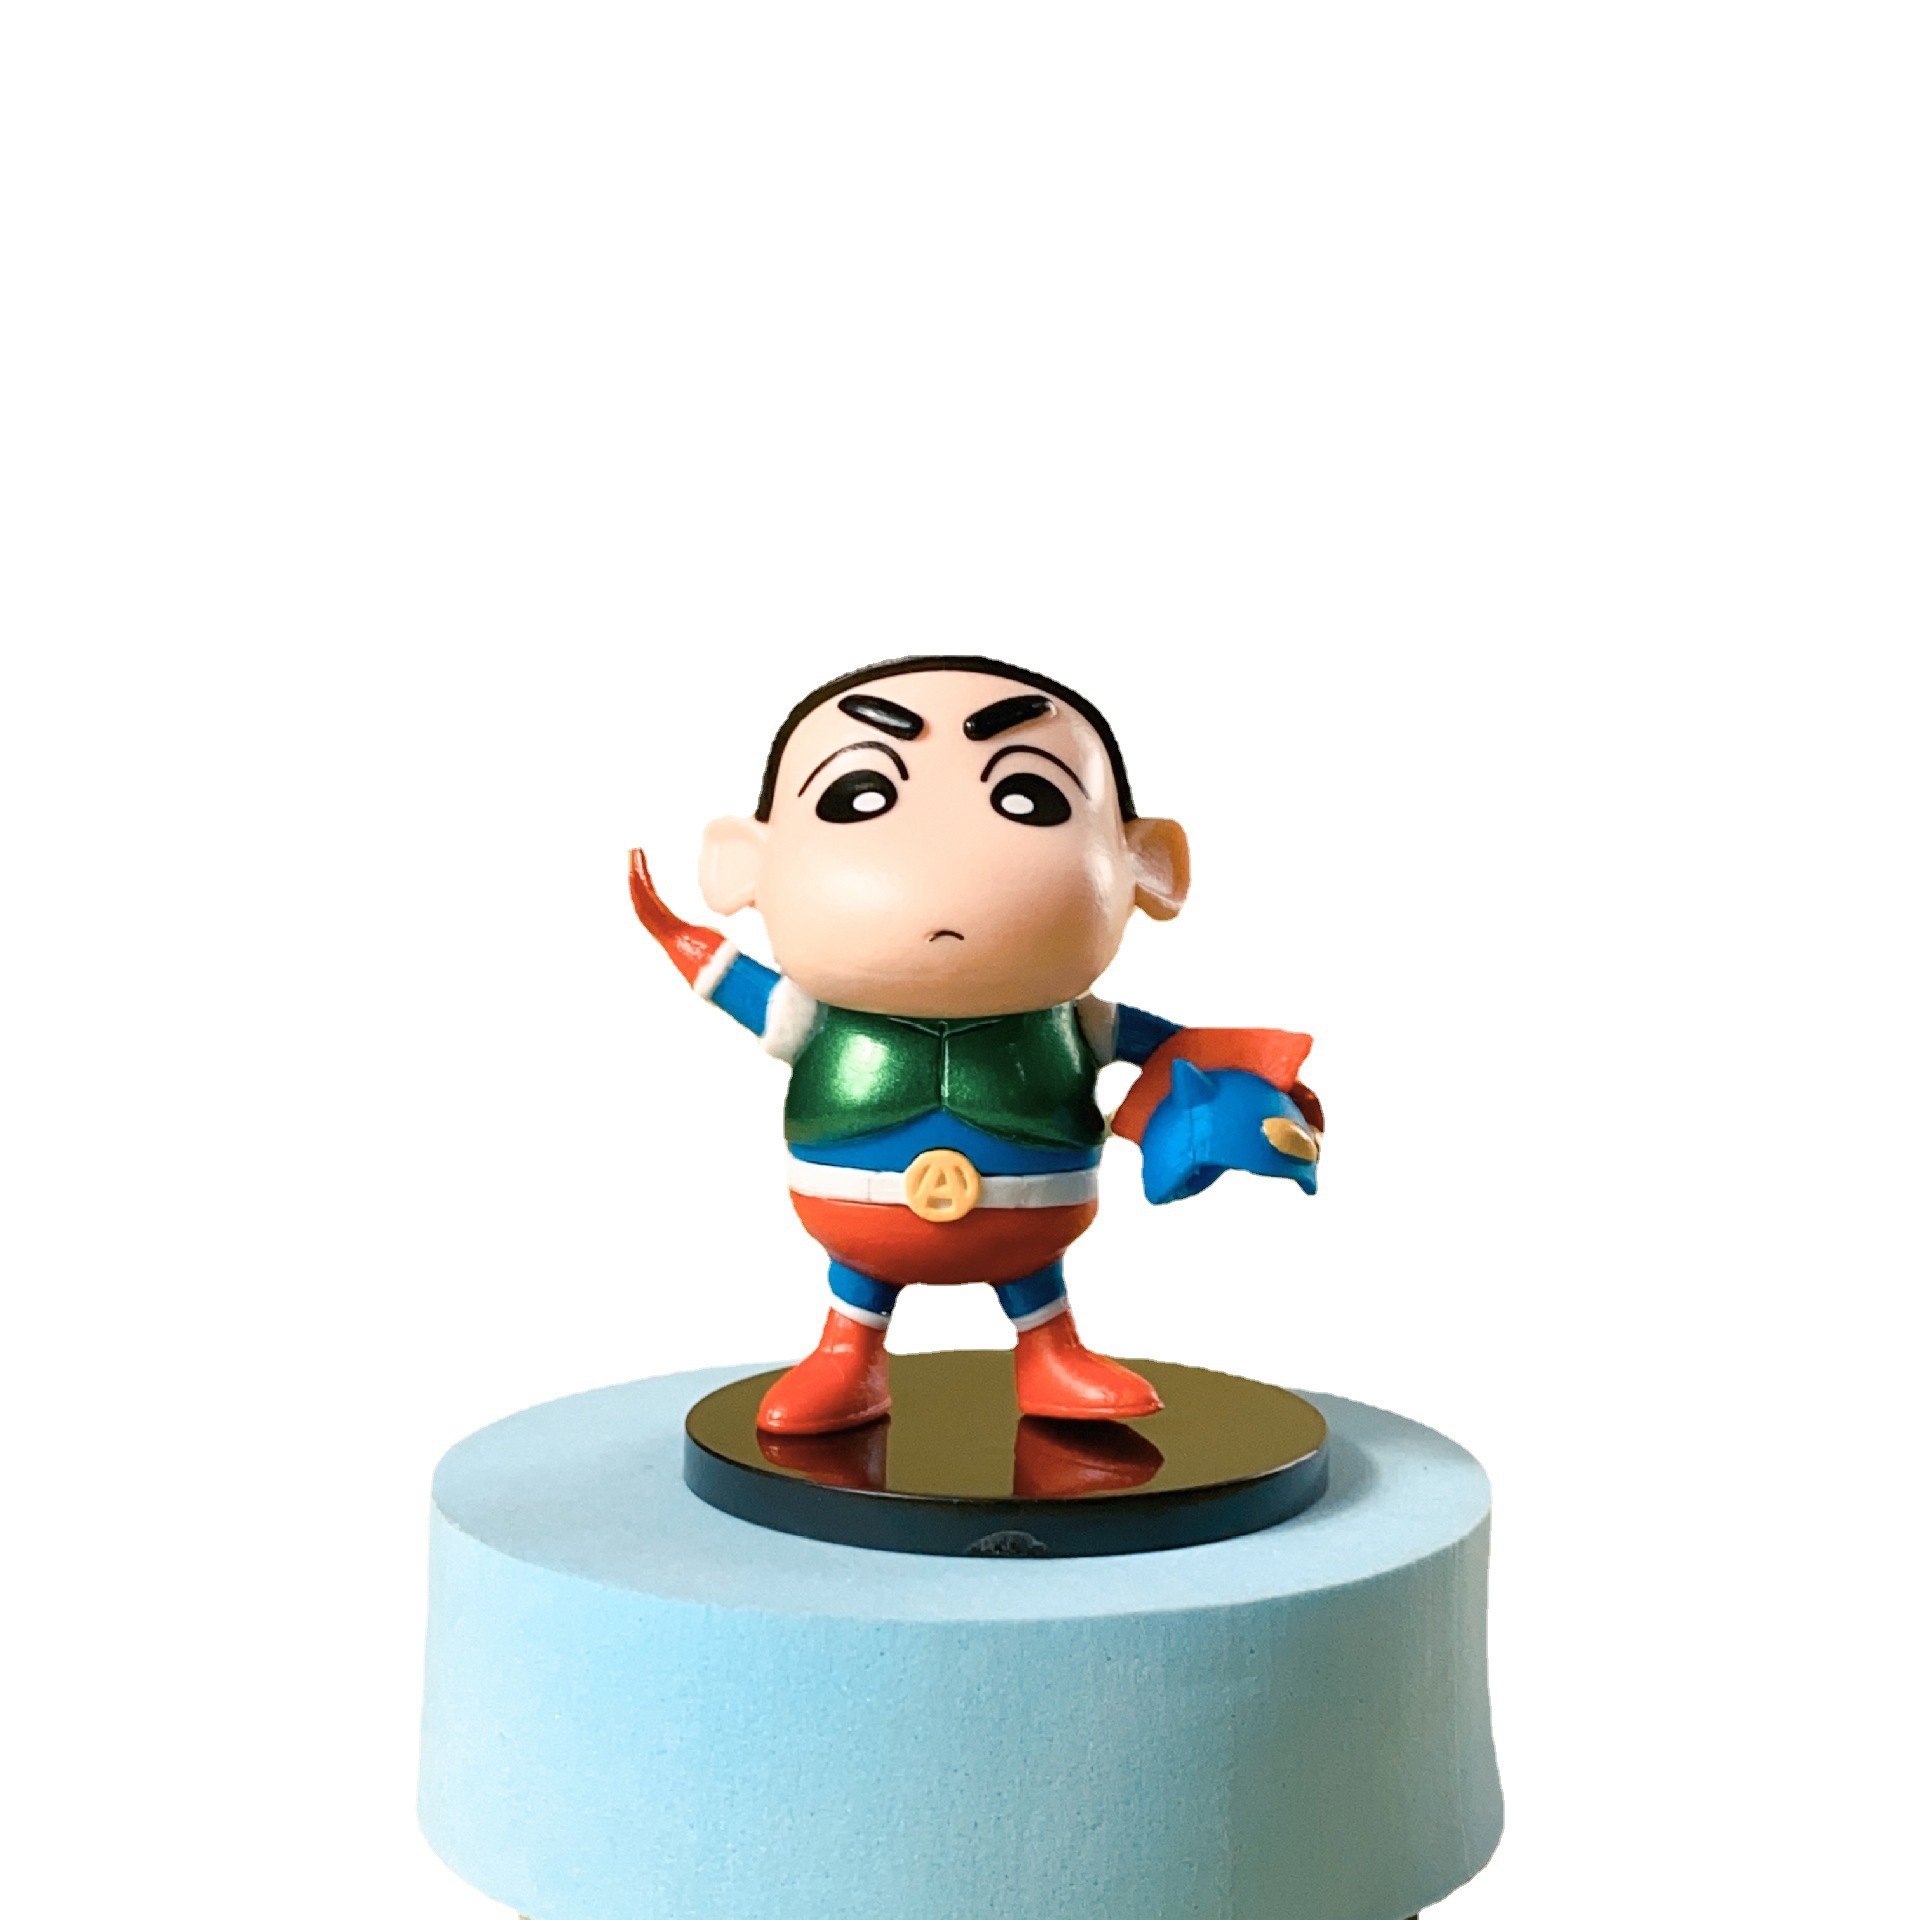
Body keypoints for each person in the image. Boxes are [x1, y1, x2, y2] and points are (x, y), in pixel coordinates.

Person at [632, 655, 1320, 1436]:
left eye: (1029, 796)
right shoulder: (811, 1016)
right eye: (859, 797)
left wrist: (1243, 1104)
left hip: (1035, 1212)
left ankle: (1052, 1353)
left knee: (1033, 1274)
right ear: (741, 863)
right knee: (859, 1278)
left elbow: (1187, 1064)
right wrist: (670, 931)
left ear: (1149, 865)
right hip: (855, 1208)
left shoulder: (1079, 1023)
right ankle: (848, 1355)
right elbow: (728, 979)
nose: (943, 853)